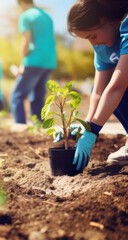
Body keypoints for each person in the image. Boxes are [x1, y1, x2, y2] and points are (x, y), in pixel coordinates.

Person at [66, 0, 128, 171]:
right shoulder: (101, 49)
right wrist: (87, 125)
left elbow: (118, 86)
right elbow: (98, 92)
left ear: (104, 20)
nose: (93, 43)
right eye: (88, 40)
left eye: (93, 36)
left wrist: (93, 132)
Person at [10, 0, 57, 124]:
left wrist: (23, 60)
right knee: (37, 96)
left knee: (17, 96)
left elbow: (26, 42)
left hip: (33, 61)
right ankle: (38, 126)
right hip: (49, 61)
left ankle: (20, 126)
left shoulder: (26, 16)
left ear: (20, 3)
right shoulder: (47, 16)